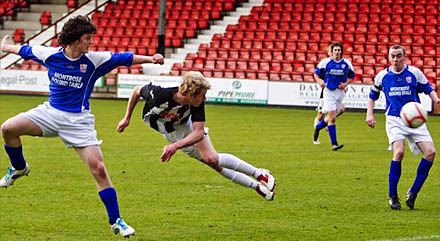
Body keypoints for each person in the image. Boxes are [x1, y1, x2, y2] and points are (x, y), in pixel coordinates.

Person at [0, 15, 164, 237]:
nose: (91, 42)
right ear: (76, 39)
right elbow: (25, 51)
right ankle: (19, 168)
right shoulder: (50, 55)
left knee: (99, 169)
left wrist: (151, 59)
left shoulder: (93, 60)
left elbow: (122, 58)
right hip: (50, 113)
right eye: (88, 38)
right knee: (8, 128)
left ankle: (116, 221)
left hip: (78, 121)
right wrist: (6, 46)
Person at [117, 71, 276, 201]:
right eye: (203, 95)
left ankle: (259, 173)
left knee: (211, 158)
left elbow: (199, 132)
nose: (205, 98)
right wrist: (127, 117)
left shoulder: (197, 103)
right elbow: (137, 90)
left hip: (187, 124)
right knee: (214, 164)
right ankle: (256, 187)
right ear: (191, 94)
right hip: (172, 132)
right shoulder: (160, 94)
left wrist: (175, 147)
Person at [366, 45, 439, 210]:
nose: (395, 59)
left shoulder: (414, 73)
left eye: (399, 56)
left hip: (415, 119)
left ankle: (413, 192)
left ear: (404, 57)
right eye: (392, 56)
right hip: (394, 120)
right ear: (389, 57)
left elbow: (428, 89)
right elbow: (372, 96)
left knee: (431, 153)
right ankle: (393, 196)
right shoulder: (382, 76)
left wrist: (437, 100)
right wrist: (369, 114)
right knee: (398, 152)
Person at [313, 42, 354, 150]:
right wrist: (320, 81)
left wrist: (345, 84)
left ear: (341, 52)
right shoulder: (325, 63)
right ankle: (334, 144)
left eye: (339, 50)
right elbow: (316, 74)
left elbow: (351, 76)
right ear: (331, 52)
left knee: (332, 116)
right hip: (329, 91)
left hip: (340, 92)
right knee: (332, 117)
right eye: (335, 50)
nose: (337, 52)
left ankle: (318, 127)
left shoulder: (347, 64)